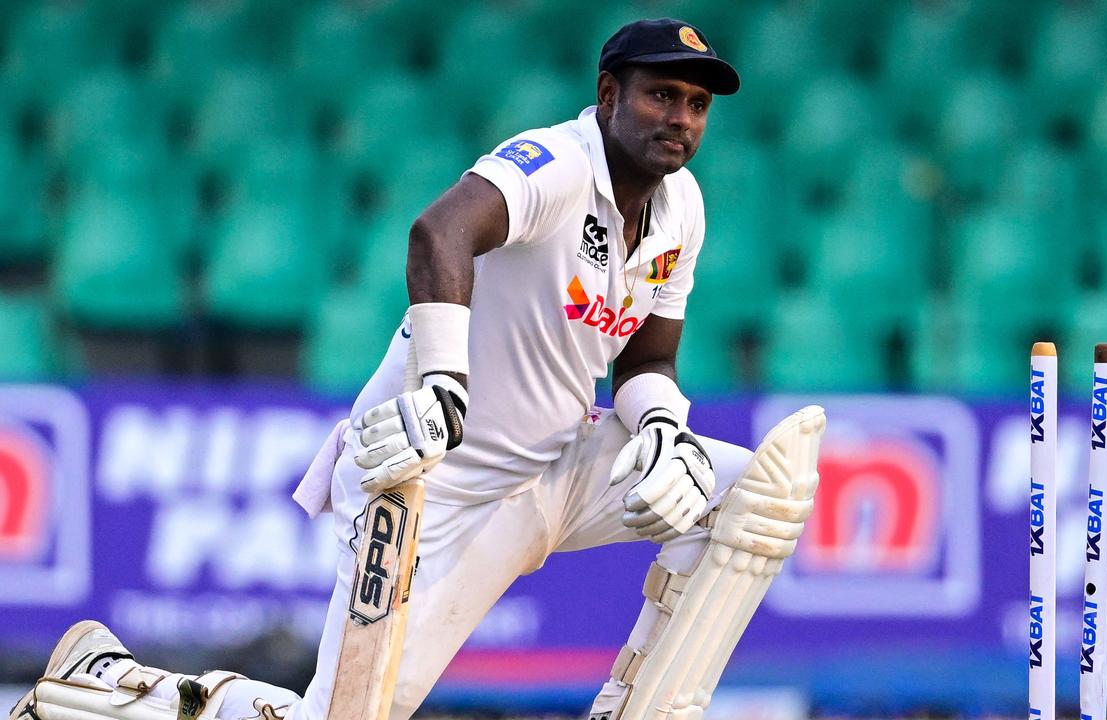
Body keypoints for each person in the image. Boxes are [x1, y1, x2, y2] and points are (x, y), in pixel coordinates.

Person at [10, 18, 825, 720]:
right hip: (427, 474)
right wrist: (441, 384)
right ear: (609, 94)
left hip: (558, 465)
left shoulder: (683, 208)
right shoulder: (558, 162)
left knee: (754, 493)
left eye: (696, 104)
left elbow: (648, 355)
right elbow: (439, 233)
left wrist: (658, 425)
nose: (679, 118)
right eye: (660, 94)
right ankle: (114, 688)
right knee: (348, 715)